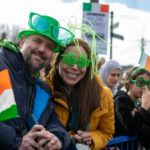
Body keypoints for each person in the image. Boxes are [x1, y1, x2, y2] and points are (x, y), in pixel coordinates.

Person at [0, 12, 75, 150]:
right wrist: (16, 143)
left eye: (49, 47)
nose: (42, 50)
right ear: (22, 41)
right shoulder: (1, 67)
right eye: (38, 41)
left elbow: (54, 123)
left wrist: (57, 138)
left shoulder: (43, 89)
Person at [46, 38, 115, 150]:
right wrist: (70, 139)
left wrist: (92, 137)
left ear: (88, 67)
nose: (74, 67)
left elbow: (107, 133)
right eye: (69, 59)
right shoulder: (44, 91)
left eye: (82, 62)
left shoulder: (103, 94)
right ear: (58, 61)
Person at [114, 66, 150, 149]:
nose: (145, 88)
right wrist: (144, 108)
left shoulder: (138, 104)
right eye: (140, 82)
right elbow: (132, 130)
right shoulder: (121, 100)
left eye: (148, 84)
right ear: (130, 83)